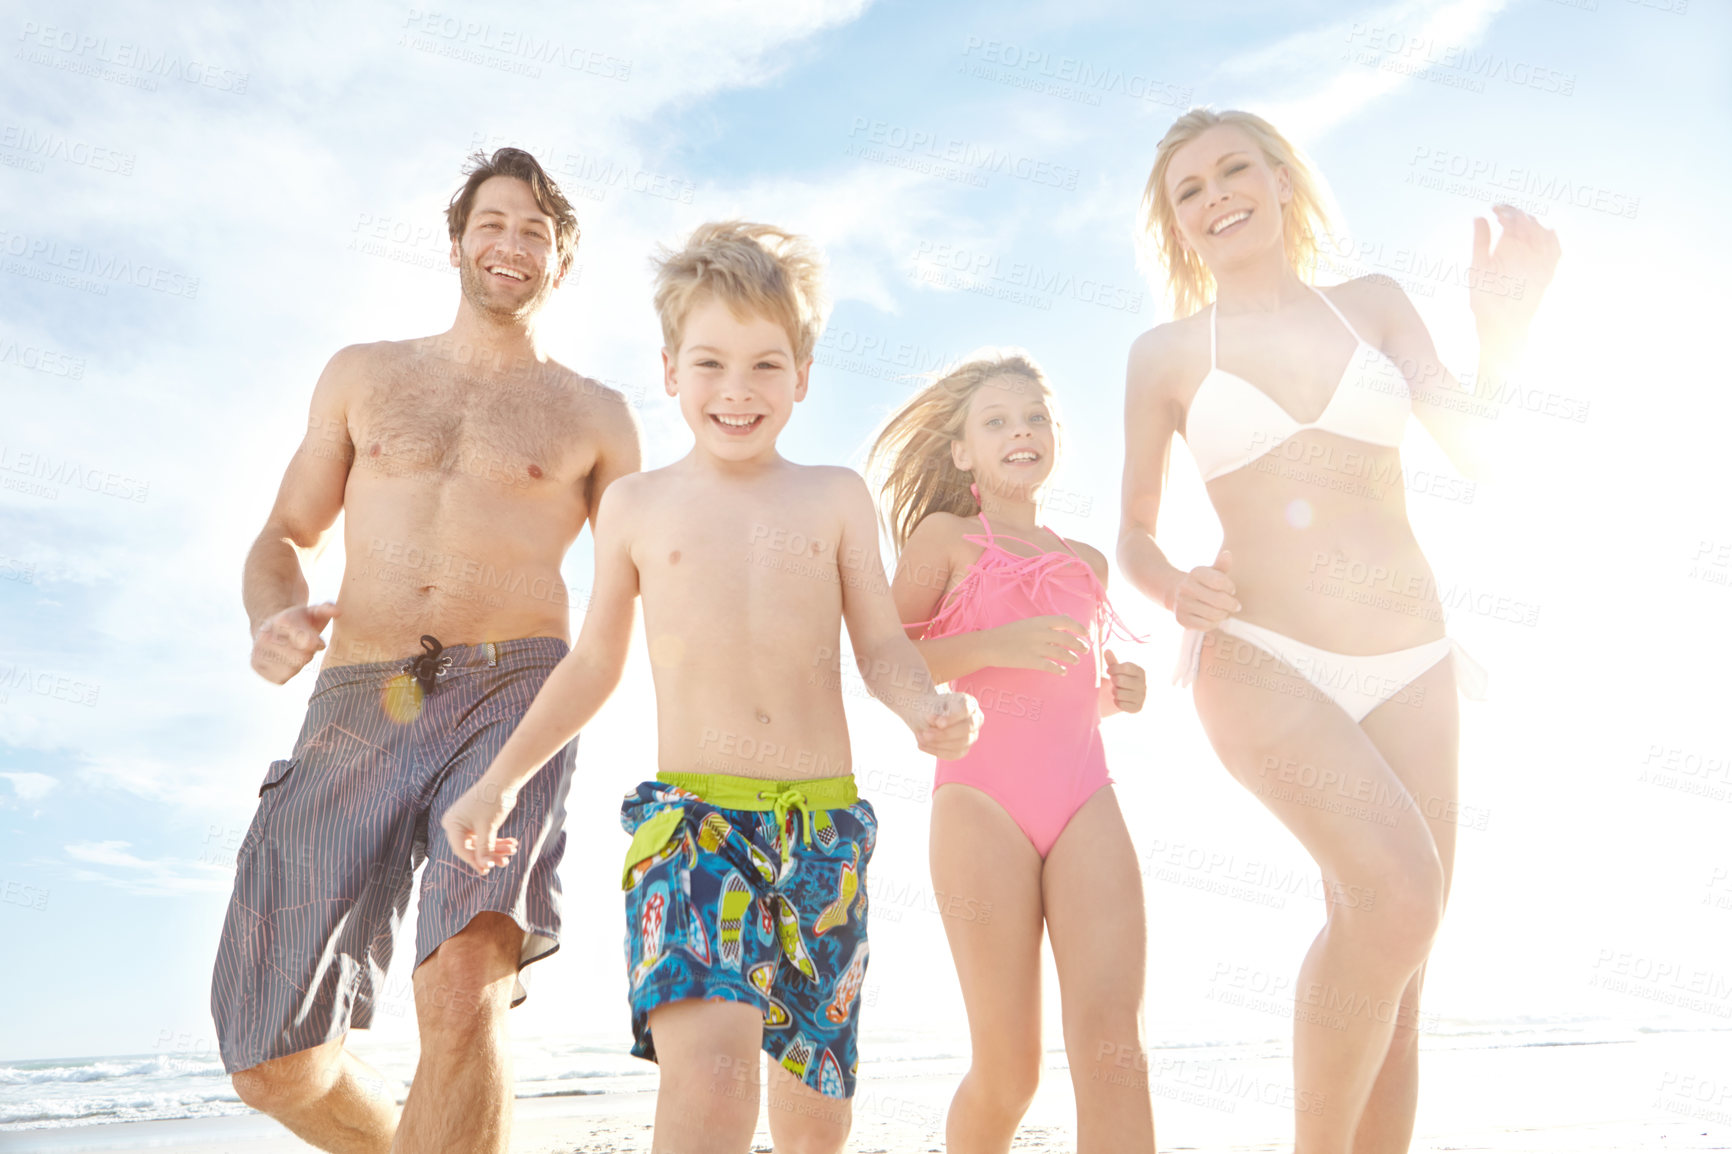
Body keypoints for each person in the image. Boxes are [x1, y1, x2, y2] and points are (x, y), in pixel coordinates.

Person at [439, 220, 982, 1154]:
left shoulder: (834, 497)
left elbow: (882, 644)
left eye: (766, 366)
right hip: (691, 828)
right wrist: (499, 780)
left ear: (803, 375)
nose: (737, 391)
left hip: (824, 829)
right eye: (710, 364)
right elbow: (595, 661)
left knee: (815, 1122)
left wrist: (923, 707)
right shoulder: (636, 507)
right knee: (716, 1084)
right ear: (669, 370)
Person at [1117, 108, 1559, 1153]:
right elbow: (1131, 534)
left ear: (1278, 181)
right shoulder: (1168, 353)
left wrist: (1501, 333)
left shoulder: (1375, 306)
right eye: (1189, 189)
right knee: (1400, 898)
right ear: (1176, 224)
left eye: (1234, 170)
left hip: (1413, 659)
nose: (1215, 194)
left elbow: (1479, 453)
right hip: (1261, 659)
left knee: (1401, 977)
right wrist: (1175, 583)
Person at [213, 147, 642, 1154]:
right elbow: (283, 534)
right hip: (358, 693)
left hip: (513, 696)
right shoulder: (365, 374)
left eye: (536, 230)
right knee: (271, 1060)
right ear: (456, 242)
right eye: (493, 222)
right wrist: (269, 615)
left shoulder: (597, 415)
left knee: (462, 988)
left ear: (559, 264)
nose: (511, 243)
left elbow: (648, 574)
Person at [868, 351, 1153, 1154]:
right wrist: (998, 641)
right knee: (1010, 1071)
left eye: (1034, 418)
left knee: (1115, 1048)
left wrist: (1119, 689)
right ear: (962, 452)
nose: (1019, 431)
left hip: (1085, 793)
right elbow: (885, 658)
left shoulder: (1087, 564)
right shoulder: (947, 539)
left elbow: (1070, 691)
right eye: (995, 421)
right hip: (980, 803)